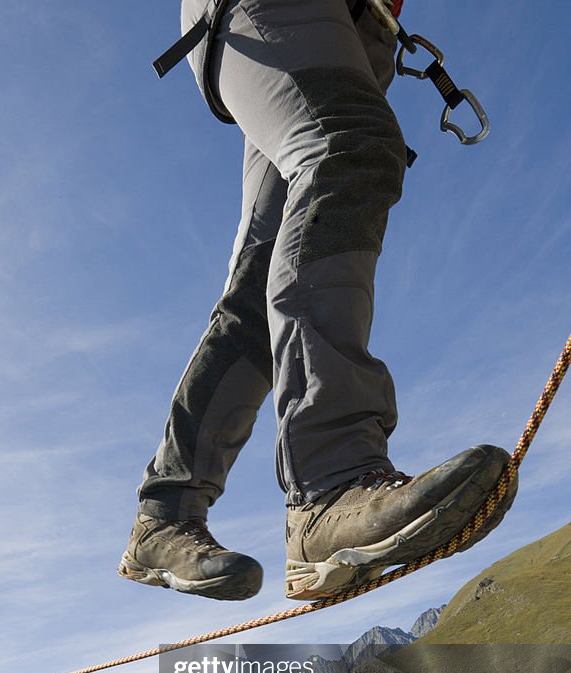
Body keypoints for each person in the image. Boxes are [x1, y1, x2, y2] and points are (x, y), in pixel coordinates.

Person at [119, 0, 516, 602]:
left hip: (357, 27)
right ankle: (331, 480)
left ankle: (166, 513)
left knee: (265, 277)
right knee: (346, 148)